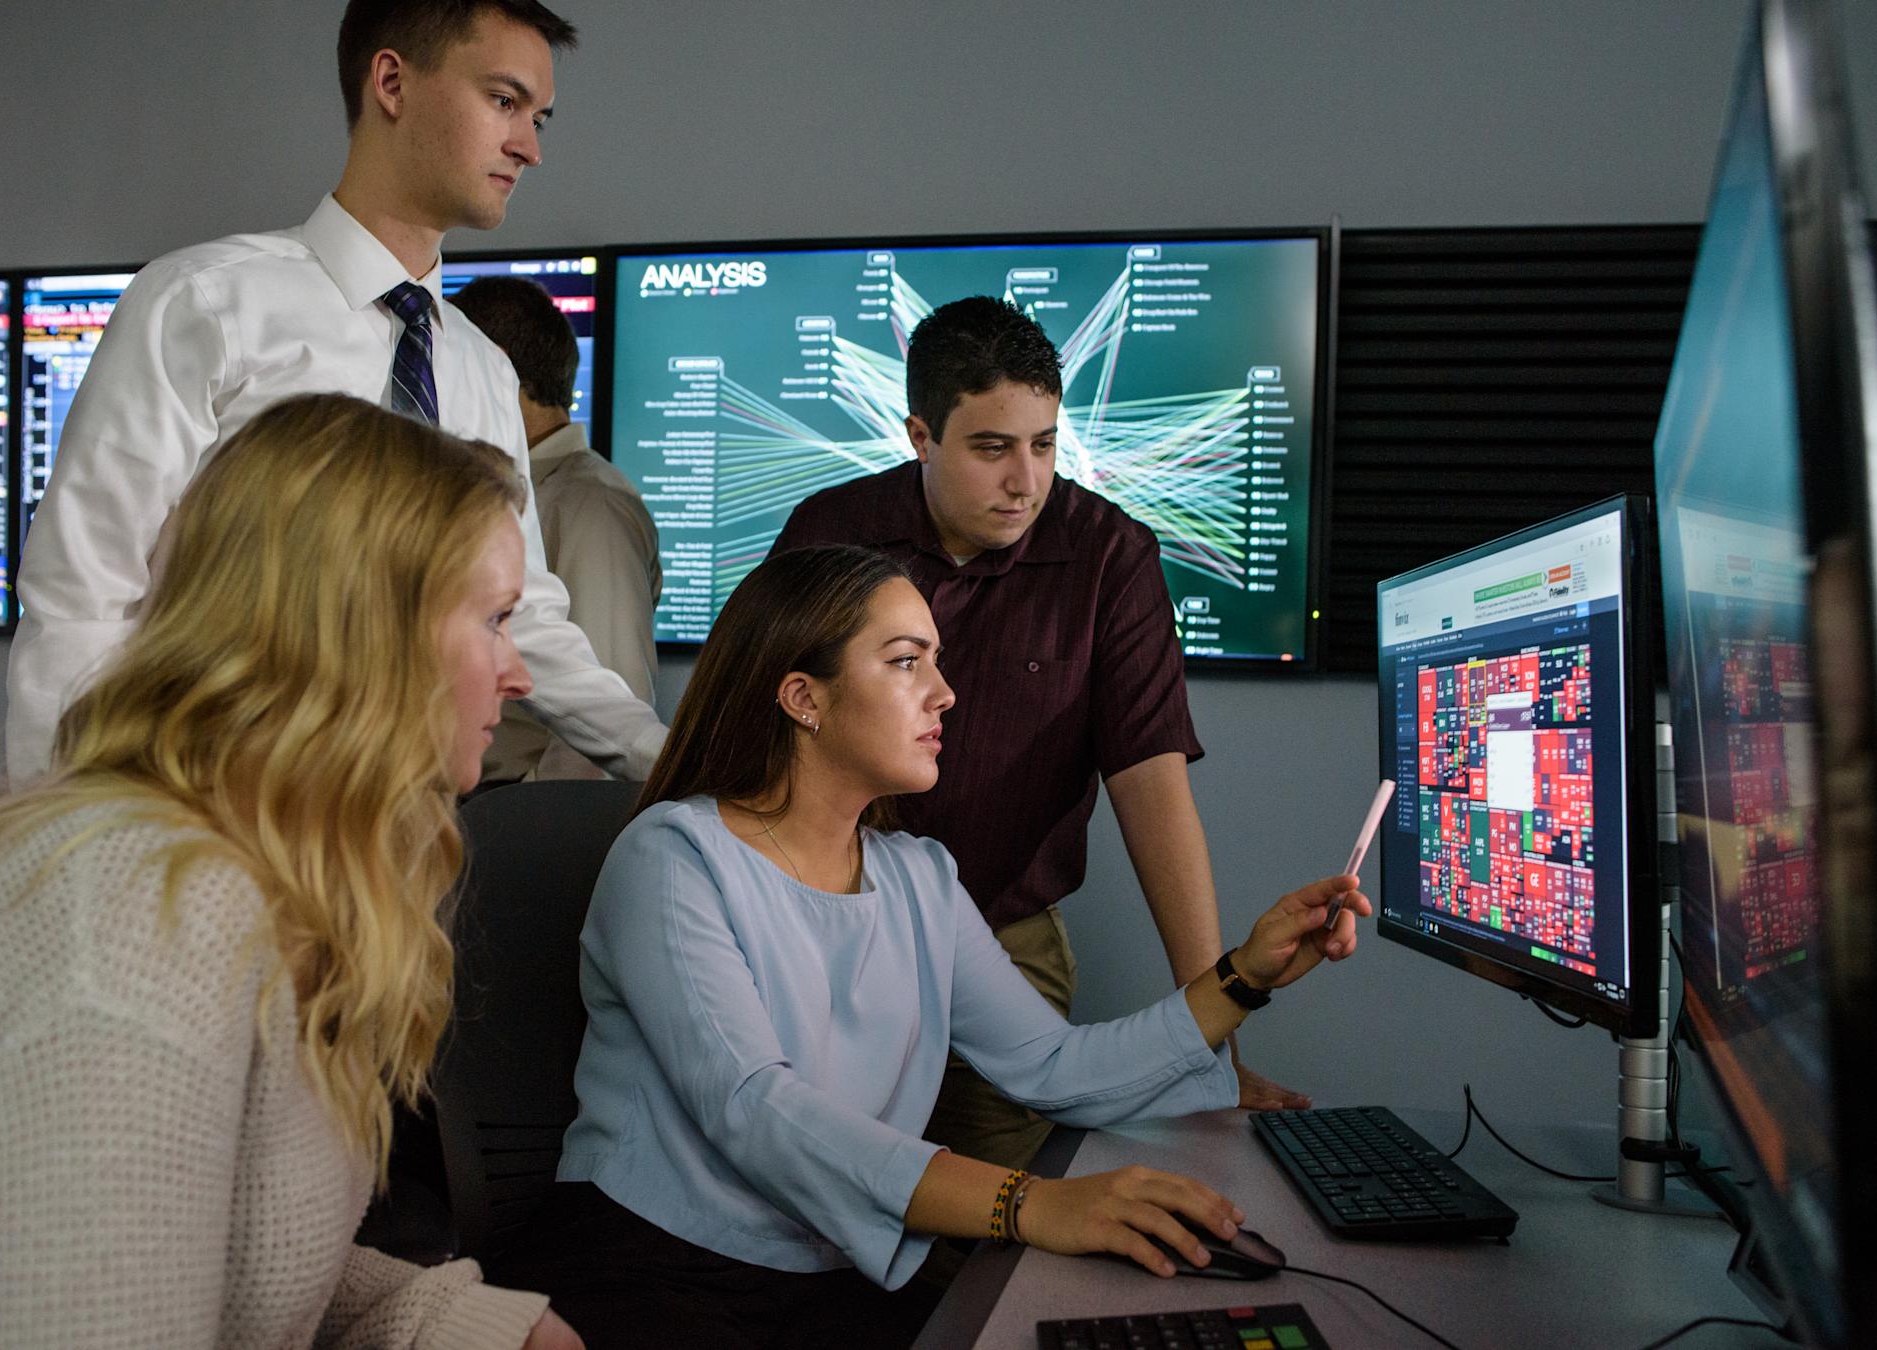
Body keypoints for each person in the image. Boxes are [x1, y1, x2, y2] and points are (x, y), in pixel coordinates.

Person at [494, 545, 1369, 1348]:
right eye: (908, 661)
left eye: (937, 661)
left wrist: (1244, 976)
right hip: (650, 1269)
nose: (945, 692)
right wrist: (1027, 1204)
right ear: (803, 698)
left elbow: (1054, 1067)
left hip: (828, 1279)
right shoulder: (673, 857)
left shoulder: (919, 876)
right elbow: (755, 1108)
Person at [0, 395, 580, 1349]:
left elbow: (230, 1247)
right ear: (362, 636)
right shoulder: (137, 907)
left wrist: (453, 1320)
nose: (520, 675)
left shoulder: (271, 877)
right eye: (496, 619)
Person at [7, 0, 665, 786]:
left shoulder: (483, 369)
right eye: (503, 101)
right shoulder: (204, 306)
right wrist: (62, 833)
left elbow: (523, 617)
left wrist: (678, 765)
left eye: (539, 118)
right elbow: (80, 601)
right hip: (217, 803)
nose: (529, 147)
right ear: (392, 83)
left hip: (408, 820)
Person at [770, 296, 1310, 1177]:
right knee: (815, 1170)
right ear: (920, 436)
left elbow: (1152, 789)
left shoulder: (1108, 556)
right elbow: (761, 729)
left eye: (1046, 445)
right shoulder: (832, 535)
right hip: (823, 918)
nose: (1027, 481)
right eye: (992, 449)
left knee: (999, 1199)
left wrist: (1214, 1047)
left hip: (1002, 931)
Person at [450, 274, 662, 783]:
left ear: (494, 366)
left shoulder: (590, 506)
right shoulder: (525, 493)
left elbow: (612, 705)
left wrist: (535, 824)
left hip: (511, 807)